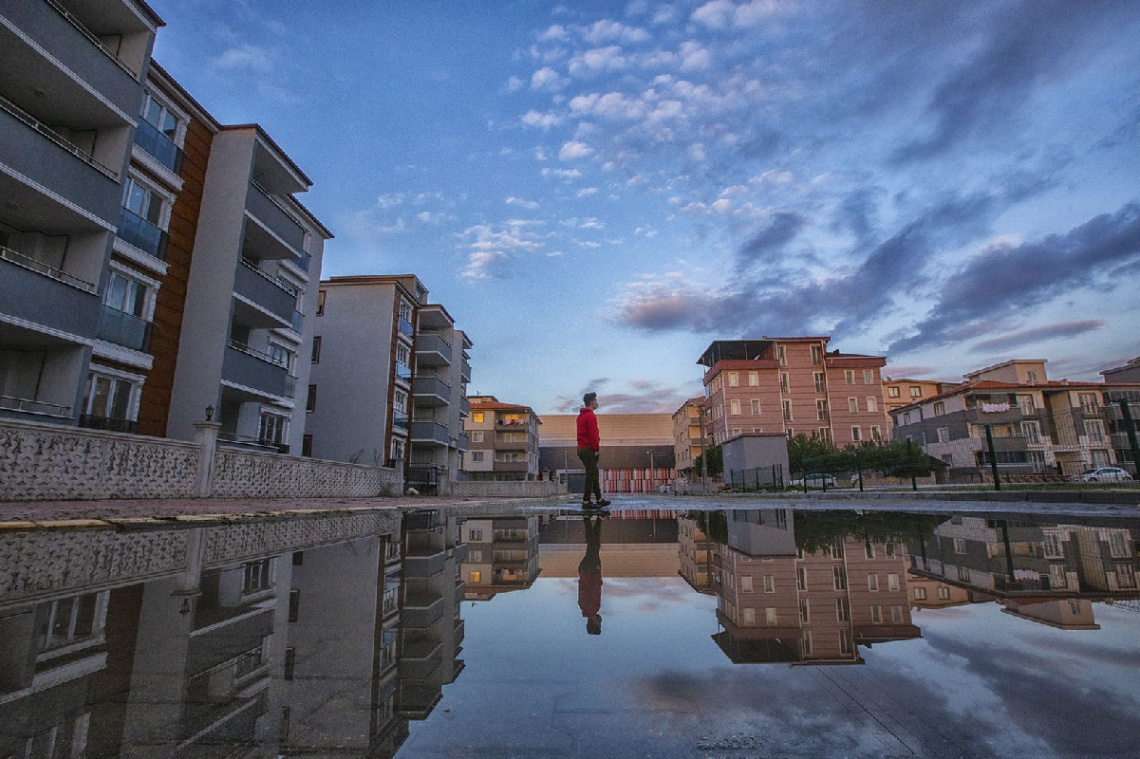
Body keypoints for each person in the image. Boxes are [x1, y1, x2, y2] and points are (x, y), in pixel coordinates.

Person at [576, 392, 610, 508]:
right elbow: (593, 434)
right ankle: (586, 502)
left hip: (581, 449)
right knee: (591, 475)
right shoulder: (591, 416)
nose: (596, 402)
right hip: (588, 448)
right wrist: (596, 448)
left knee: (593, 473)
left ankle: (599, 499)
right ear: (591, 402)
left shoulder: (580, 417)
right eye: (595, 400)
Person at [578, 514, 604, 635]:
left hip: (591, 571)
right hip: (585, 571)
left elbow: (593, 588)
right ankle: (595, 519)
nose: (600, 621)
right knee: (593, 544)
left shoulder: (592, 608)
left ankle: (591, 519)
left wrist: (597, 572)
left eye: (599, 624)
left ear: (594, 623)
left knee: (593, 544)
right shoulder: (584, 608)